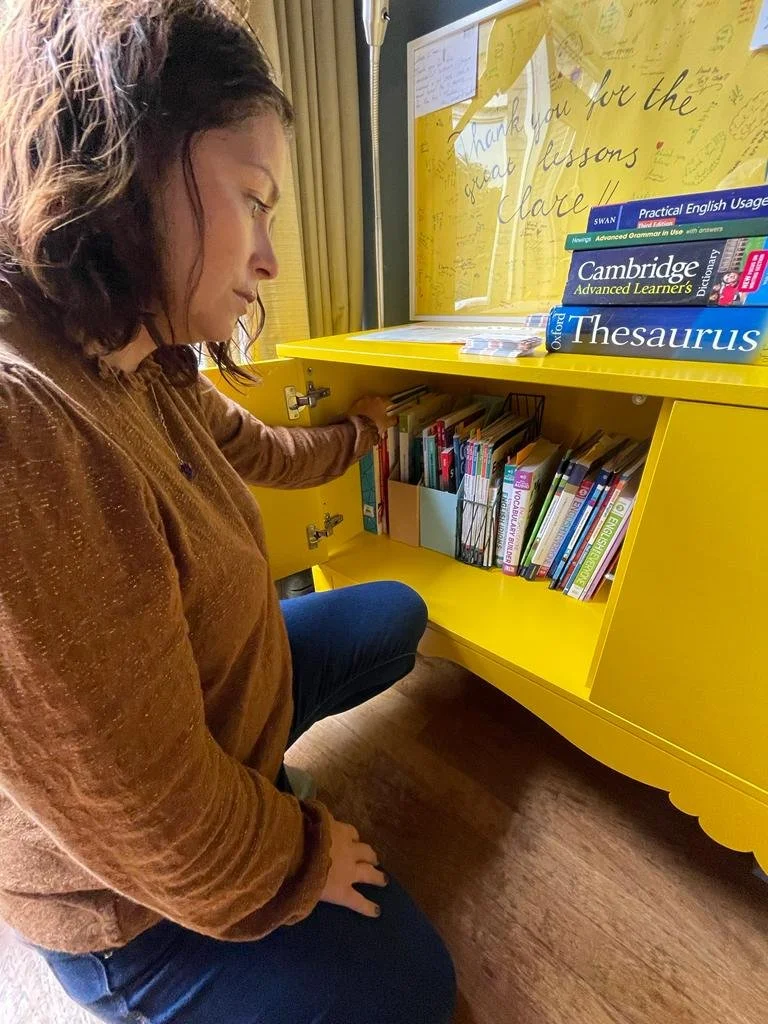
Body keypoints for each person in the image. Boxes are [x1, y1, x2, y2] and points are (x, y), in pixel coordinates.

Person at [0, 2, 457, 1022]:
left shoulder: (131, 346)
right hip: (124, 899)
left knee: (393, 618)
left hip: (201, 705)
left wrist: (359, 443)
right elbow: (145, 816)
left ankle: (258, 775)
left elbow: (255, 447)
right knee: (415, 986)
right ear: (130, 171)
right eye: (252, 200)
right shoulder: (24, 426)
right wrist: (297, 852)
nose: (269, 260)